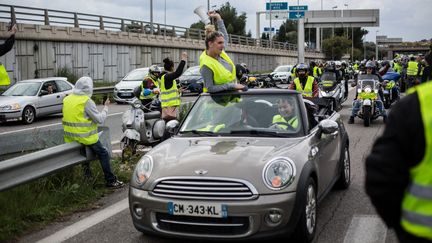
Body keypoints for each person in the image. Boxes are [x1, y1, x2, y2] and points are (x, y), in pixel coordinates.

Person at [365, 80, 432, 243]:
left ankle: (382, 114)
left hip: (420, 234)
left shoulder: (418, 103)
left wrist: (398, 226)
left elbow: (381, 177)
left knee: (381, 104)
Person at [62, 77, 124, 188]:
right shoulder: (86, 101)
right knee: (103, 153)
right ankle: (110, 180)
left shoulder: (67, 99)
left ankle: (88, 178)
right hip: (86, 137)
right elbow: (100, 120)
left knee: (84, 157)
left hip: (71, 137)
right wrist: (106, 107)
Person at [199, 11, 246, 93]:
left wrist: (218, 18)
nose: (223, 45)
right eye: (220, 43)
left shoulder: (220, 52)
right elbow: (210, 88)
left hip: (229, 100)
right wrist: (232, 86)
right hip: (216, 103)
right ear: (210, 44)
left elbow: (224, 35)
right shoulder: (206, 65)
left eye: (223, 43)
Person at [159, 52, 187, 121]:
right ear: (172, 67)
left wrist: (178, 91)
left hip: (167, 107)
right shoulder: (167, 76)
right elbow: (178, 73)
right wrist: (183, 60)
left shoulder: (164, 77)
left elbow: (168, 90)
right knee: (171, 127)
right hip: (169, 108)